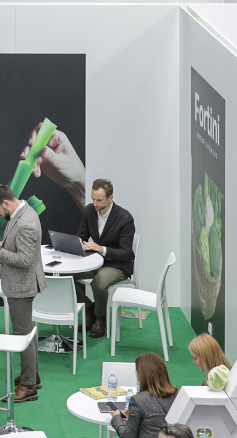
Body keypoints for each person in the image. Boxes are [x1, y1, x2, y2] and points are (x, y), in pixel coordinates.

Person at [0, 184, 46, 401]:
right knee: (27, 331)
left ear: (6, 203)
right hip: (19, 284)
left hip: (22, 286)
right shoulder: (21, 213)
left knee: (22, 335)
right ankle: (33, 376)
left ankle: (29, 386)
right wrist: (1, 245)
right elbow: (17, 245)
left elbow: (25, 260)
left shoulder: (26, 223)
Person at [75, 177, 136, 338]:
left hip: (117, 265)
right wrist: (80, 244)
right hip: (93, 262)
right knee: (66, 275)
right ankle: (89, 308)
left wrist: (101, 249)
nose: (95, 204)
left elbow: (127, 254)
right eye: (93, 199)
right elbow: (81, 236)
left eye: (99, 200)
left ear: (110, 198)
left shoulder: (125, 218)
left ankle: (100, 318)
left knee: (99, 282)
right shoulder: (89, 211)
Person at [111, 353, 178, 438]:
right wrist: (132, 419)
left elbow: (127, 436)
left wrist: (116, 418)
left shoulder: (138, 400)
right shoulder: (176, 395)